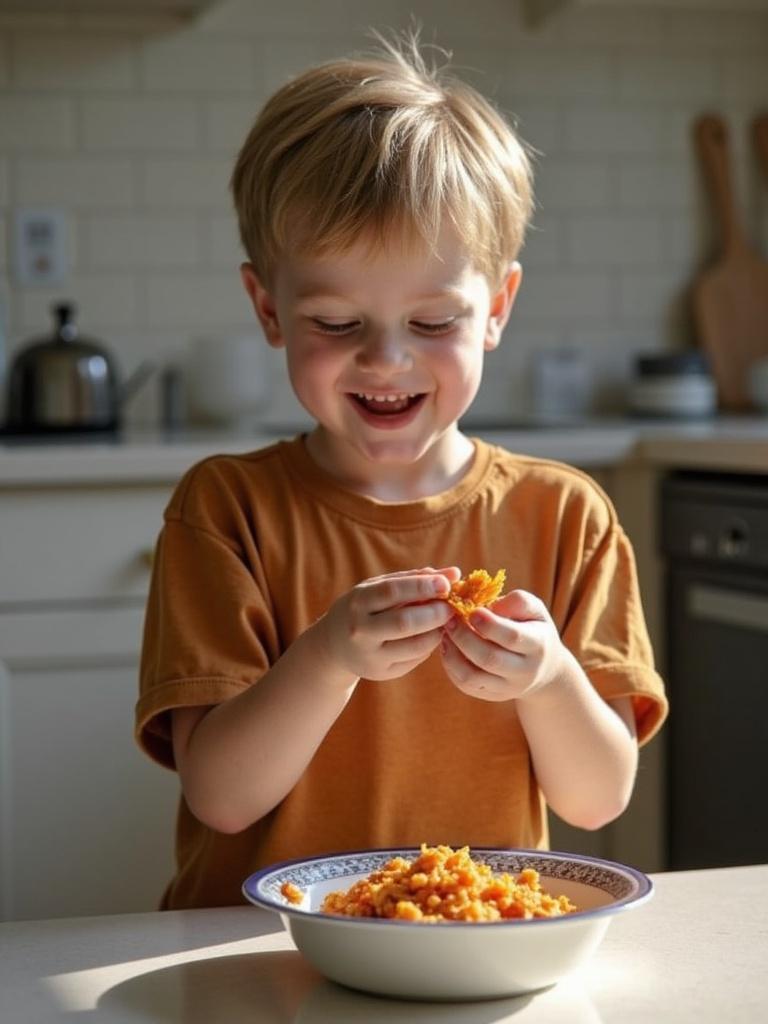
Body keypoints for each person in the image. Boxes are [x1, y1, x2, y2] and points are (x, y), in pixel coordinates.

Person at [135, 31, 667, 910]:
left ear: (496, 309)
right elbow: (221, 797)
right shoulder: (227, 510)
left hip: (472, 949)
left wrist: (547, 677)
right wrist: (331, 653)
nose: (386, 361)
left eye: (431, 324)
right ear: (269, 309)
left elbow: (597, 797)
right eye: (338, 323)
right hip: (257, 953)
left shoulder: (566, 515)